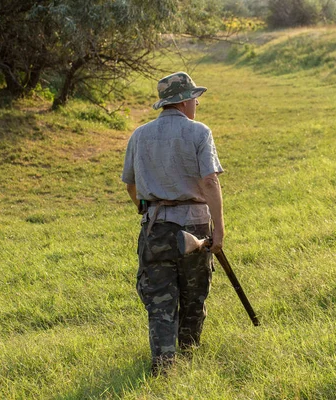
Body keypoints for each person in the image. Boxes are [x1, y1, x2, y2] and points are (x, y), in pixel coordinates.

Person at [121, 71, 225, 375]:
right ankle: (190, 356)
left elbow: (130, 184)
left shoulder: (139, 134)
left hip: (155, 228)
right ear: (183, 100)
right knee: (194, 295)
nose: (197, 104)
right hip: (194, 227)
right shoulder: (199, 132)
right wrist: (219, 228)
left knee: (160, 300)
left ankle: (164, 366)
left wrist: (145, 207)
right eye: (195, 98)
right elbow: (209, 181)